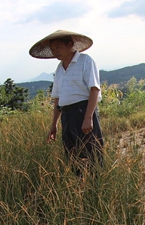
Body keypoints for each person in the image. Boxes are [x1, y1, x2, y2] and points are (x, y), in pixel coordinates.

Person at [29, 29, 104, 167]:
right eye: (53, 49)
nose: (55, 51)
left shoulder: (85, 60)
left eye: (58, 47)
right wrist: (54, 125)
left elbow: (94, 89)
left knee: (91, 152)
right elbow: (58, 98)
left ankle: (97, 179)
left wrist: (88, 117)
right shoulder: (59, 69)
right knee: (72, 155)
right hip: (66, 115)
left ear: (70, 45)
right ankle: (78, 180)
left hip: (83, 111)